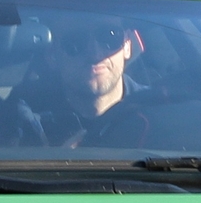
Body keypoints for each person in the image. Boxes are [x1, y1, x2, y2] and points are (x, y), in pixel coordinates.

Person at [13, 14, 144, 147]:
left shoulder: (157, 111)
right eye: (76, 41)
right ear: (52, 54)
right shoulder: (19, 118)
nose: (95, 54)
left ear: (127, 45)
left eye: (109, 36)